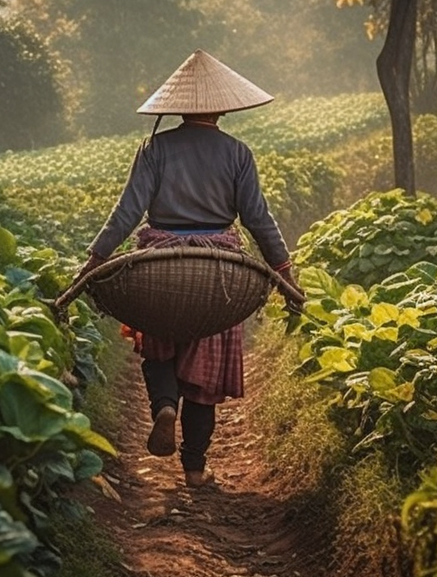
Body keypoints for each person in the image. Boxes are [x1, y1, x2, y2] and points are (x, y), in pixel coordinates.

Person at [77, 49, 305, 488]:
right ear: (223, 106)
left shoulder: (155, 148)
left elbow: (126, 214)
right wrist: (285, 273)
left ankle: (164, 406)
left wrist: (94, 261)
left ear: (179, 106)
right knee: (208, 368)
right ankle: (196, 468)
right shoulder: (238, 153)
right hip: (219, 267)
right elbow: (258, 219)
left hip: (162, 261)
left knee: (157, 342)